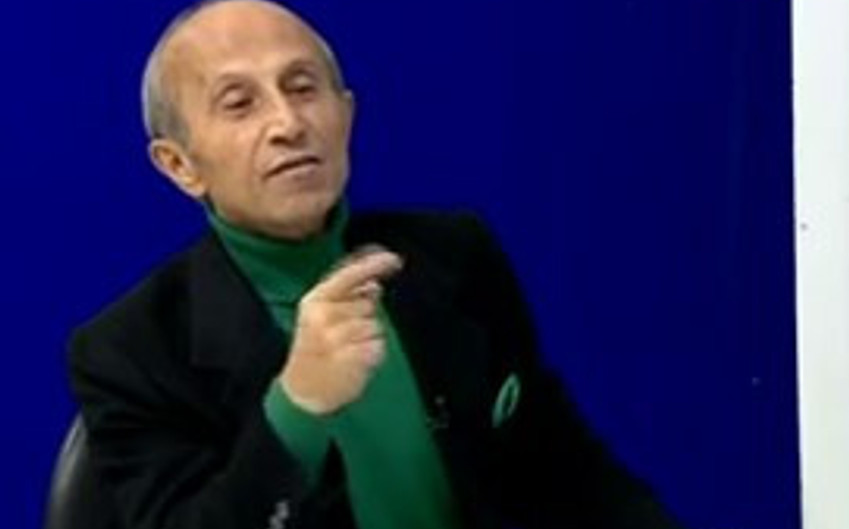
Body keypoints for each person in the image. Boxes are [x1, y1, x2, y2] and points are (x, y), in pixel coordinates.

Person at [67, 1, 682, 528]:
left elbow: (565, 466)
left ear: (346, 115)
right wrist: (296, 407)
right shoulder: (130, 351)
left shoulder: (454, 256)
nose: (287, 123)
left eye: (302, 87)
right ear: (180, 165)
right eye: (239, 103)